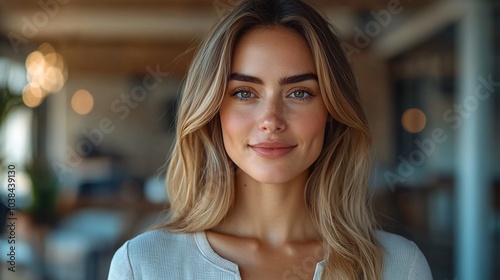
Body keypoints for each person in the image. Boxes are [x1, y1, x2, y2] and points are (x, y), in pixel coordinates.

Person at [108, 0, 432, 279]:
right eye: (245, 93)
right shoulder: (142, 266)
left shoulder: (399, 267)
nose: (271, 121)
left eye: (300, 92)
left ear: (331, 110)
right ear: (213, 110)